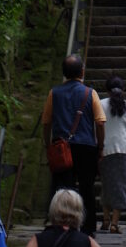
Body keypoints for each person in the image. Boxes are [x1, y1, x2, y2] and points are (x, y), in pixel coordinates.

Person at [42, 56, 105, 235]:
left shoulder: (54, 93)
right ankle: (88, 228)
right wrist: (100, 147)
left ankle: (62, 226)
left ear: (63, 72)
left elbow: (46, 122)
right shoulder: (90, 93)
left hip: (61, 147)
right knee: (87, 188)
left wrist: (48, 145)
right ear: (82, 72)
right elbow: (100, 122)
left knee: (62, 188)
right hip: (86, 147)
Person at [99, 75, 126, 231]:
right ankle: (115, 223)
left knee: (106, 185)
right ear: (123, 89)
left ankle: (105, 219)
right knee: (122, 186)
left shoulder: (100, 104)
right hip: (125, 150)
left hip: (105, 150)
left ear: (107, 90)